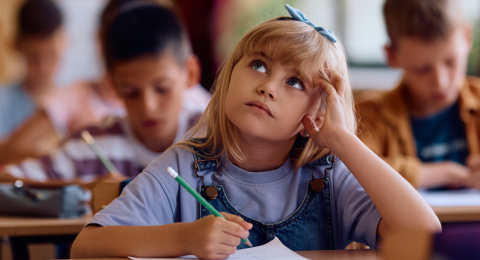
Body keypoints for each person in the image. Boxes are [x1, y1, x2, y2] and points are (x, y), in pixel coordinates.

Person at [71, 5, 440, 259]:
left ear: (318, 110)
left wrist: (342, 140)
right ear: (230, 73)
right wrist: (185, 238)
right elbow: (86, 246)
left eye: (294, 81)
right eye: (259, 65)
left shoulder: (329, 176)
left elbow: (423, 232)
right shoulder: (184, 164)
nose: (269, 87)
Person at [0, 2, 206, 186]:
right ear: (114, 86)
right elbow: (8, 176)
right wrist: (84, 186)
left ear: (190, 73)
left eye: (162, 88)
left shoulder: (215, 138)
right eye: (131, 92)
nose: (148, 106)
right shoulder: (91, 146)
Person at [357, 0, 480, 190]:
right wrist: (447, 173)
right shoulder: (369, 116)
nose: (441, 82)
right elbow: (353, 172)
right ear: (392, 56)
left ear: (467, 37)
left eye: (451, 62)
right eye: (422, 69)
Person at [0, 0, 65, 139]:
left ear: (65, 42)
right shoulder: (3, 102)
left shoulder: (75, 101)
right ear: (17, 45)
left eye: (52, 54)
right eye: (33, 57)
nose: (43, 67)